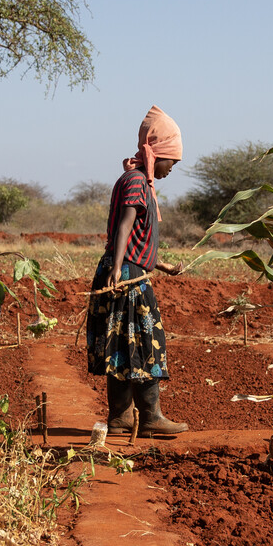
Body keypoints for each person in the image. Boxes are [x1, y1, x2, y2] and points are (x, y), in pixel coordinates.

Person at [88, 105, 189, 436]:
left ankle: (119, 417)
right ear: (156, 153)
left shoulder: (135, 180)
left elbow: (133, 238)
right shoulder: (135, 181)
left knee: (120, 345)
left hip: (127, 270)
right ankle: (149, 417)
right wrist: (118, 270)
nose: (172, 168)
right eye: (171, 161)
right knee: (146, 342)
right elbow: (124, 226)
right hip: (127, 278)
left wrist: (164, 265)